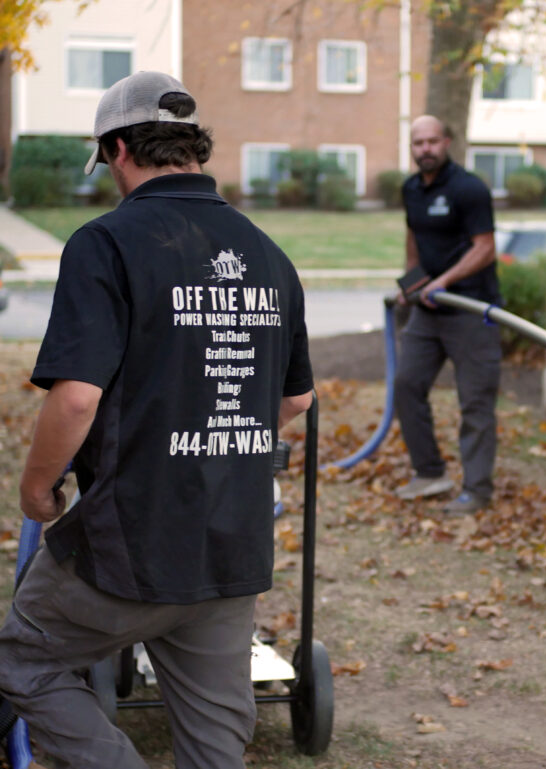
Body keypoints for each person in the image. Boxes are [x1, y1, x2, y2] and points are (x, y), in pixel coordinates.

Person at [0, 71, 314, 769]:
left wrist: (36, 491)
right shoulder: (268, 252)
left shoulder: (105, 243)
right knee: (213, 743)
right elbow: (294, 401)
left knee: (24, 658)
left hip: (129, 544)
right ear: (192, 145)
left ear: (117, 149)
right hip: (232, 544)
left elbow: (76, 396)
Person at [394, 115, 501, 514]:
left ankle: (477, 489)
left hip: (472, 310)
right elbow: (413, 238)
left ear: (447, 142)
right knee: (407, 385)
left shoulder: (469, 189)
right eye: (418, 143)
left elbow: (484, 247)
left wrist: (444, 282)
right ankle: (430, 472)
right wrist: (414, 283)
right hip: (429, 311)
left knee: (475, 402)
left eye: (432, 141)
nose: (425, 149)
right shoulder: (410, 189)